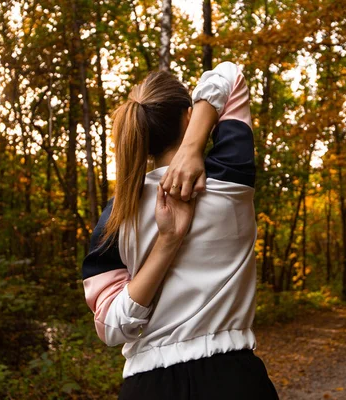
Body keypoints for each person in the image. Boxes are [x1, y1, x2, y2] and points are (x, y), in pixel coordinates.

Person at [82, 62, 279, 400]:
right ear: (189, 119)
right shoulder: (231, 180)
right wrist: (192, 148)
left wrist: (165, 245)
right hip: (234, 382)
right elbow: (229, 76)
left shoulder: (115, 217)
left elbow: (112, 329)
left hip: (147, 389)